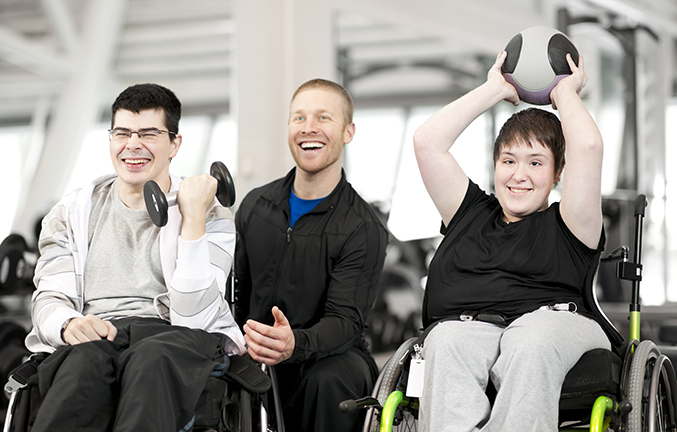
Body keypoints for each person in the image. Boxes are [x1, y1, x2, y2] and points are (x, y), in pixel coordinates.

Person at [25, 83, 245, 432]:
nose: (133, 144)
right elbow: (49, 296)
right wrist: (68, 323)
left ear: (175, 143)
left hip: (174, 335)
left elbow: (194, 318)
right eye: (123, 132)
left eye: (149, 133)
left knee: (151, 358)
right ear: (111, 139)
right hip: (102, 333)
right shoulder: (71, 212)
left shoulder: (211, 213)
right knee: (81, 368)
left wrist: (193, 221)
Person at [412, 51, 611, 431]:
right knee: (446, 339)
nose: (519, 175)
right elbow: (427, 143)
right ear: (495, 166)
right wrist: (493, 90)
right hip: (470, 327)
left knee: (528, 339)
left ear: (557, 173)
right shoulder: (468, 211)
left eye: (535, 162)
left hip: (555, 325)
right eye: (508, 161)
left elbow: (588, 148)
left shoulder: (571, 222)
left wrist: (566, 92)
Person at [234, 78, 389, 432]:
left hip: (330, 355)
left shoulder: (362, 227)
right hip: (258, 350)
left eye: (323, 118)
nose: (308, 129)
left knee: (327, 381)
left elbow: (345, 322)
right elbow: (236, 294)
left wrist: (295, 345)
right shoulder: (256, 206)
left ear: (348, 132)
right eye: (298, 118)